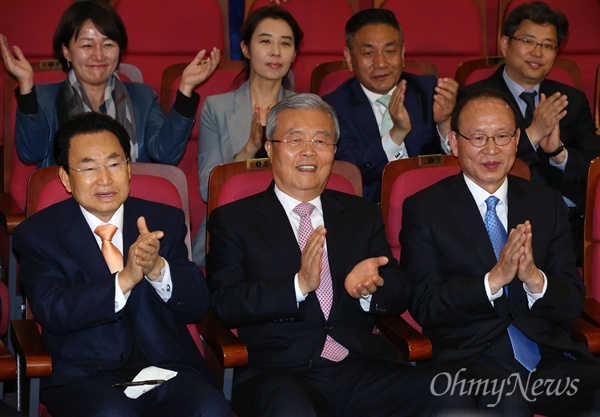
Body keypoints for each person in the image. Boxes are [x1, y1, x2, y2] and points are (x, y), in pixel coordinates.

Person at [206, 93, 468, 417]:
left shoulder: (360, 214)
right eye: (295, 139)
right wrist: (299, 285)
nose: (308, 151)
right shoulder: (233, 220)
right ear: (270, 149)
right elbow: (227, 303)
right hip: (280, 373)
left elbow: (398, 288)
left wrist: (370, 290)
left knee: (450, 398)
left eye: (321, 140)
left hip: (359, 365)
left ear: (333, 151)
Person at [12, 113, 231, 417]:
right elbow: (54, 311)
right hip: (86, 379)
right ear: (66, 178)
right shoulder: (39, 235)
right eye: (88, 167)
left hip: (165, 371)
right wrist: (124, 279)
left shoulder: (162, 220)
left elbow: (196, 304)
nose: (104, 179)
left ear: (128, 169)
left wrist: (158, 270)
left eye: (114, 164)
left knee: (210, 409)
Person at [400, 88, 600, 416]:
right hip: (472, 360)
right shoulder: (425, 209)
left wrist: (536, 280)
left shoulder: (545, 203)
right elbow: (426, 305)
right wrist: (492, 281)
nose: (491, 149)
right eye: (478, 137)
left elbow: (572, 301)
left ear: (517, 138)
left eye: (503, 136)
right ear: (454, 142)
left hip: (546, 355)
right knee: (510, 397)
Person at [458, 1, 600, 264]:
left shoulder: (570, 99)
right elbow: (474, 165)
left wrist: (558, 153)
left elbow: (595, 163)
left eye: (547, 45)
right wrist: (533, 134)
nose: (537, 52)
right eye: (528, 41)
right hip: (505, 220)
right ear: (504, 45)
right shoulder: (474, 100)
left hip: (570, 224)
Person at [0, 0, 220, 169]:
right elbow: (31, 152)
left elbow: (166, 154)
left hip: (131, 205)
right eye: (87, 45)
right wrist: (27, 87)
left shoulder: (142, 97)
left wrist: (186, 90)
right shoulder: (45, 98)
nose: (99, 55)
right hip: (65, 208)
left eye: (108, 44)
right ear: (66, 50)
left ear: (119, 50)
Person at [193, 6, 302, 266]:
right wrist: (250, 149)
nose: (275, 51)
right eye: (265, 41)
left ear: (294, 54)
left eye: (285, 43)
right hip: (231, 228)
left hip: (291, 229)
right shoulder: (216, 108)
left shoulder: (304, 111)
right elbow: (208, 189)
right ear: (245, 49)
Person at [322, 8, 458, 202]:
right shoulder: (333, 107)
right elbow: (348, 176)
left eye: (390, 51)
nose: (381, 63)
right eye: (368, 52)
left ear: (402, 53)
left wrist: (445, 124)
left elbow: (457, 163)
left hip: (432, 207)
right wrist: (396, 135)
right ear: (350, 58)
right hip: (371, 215)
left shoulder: (429, 91)